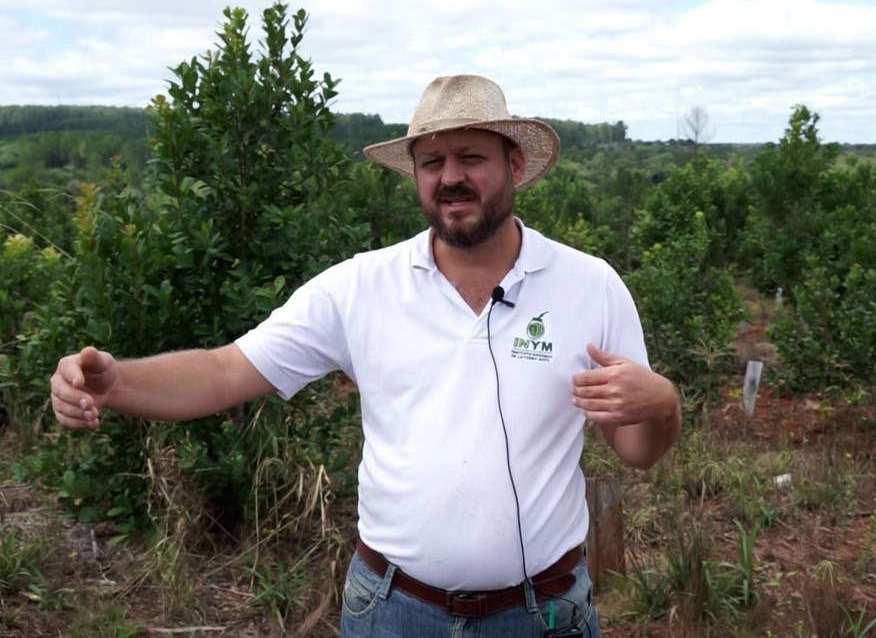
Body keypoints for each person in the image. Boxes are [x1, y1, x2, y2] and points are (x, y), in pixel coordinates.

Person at [50, 74, 682, 637]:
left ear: (515, 165)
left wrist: (665, 404)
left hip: (544, 613)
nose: (450, 176)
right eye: (431, 162)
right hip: (392, 611)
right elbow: (223, 370)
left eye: (471, 157)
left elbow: (639, 451)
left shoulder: (589, 285)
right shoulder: (359, 288)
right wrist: (114, 381)